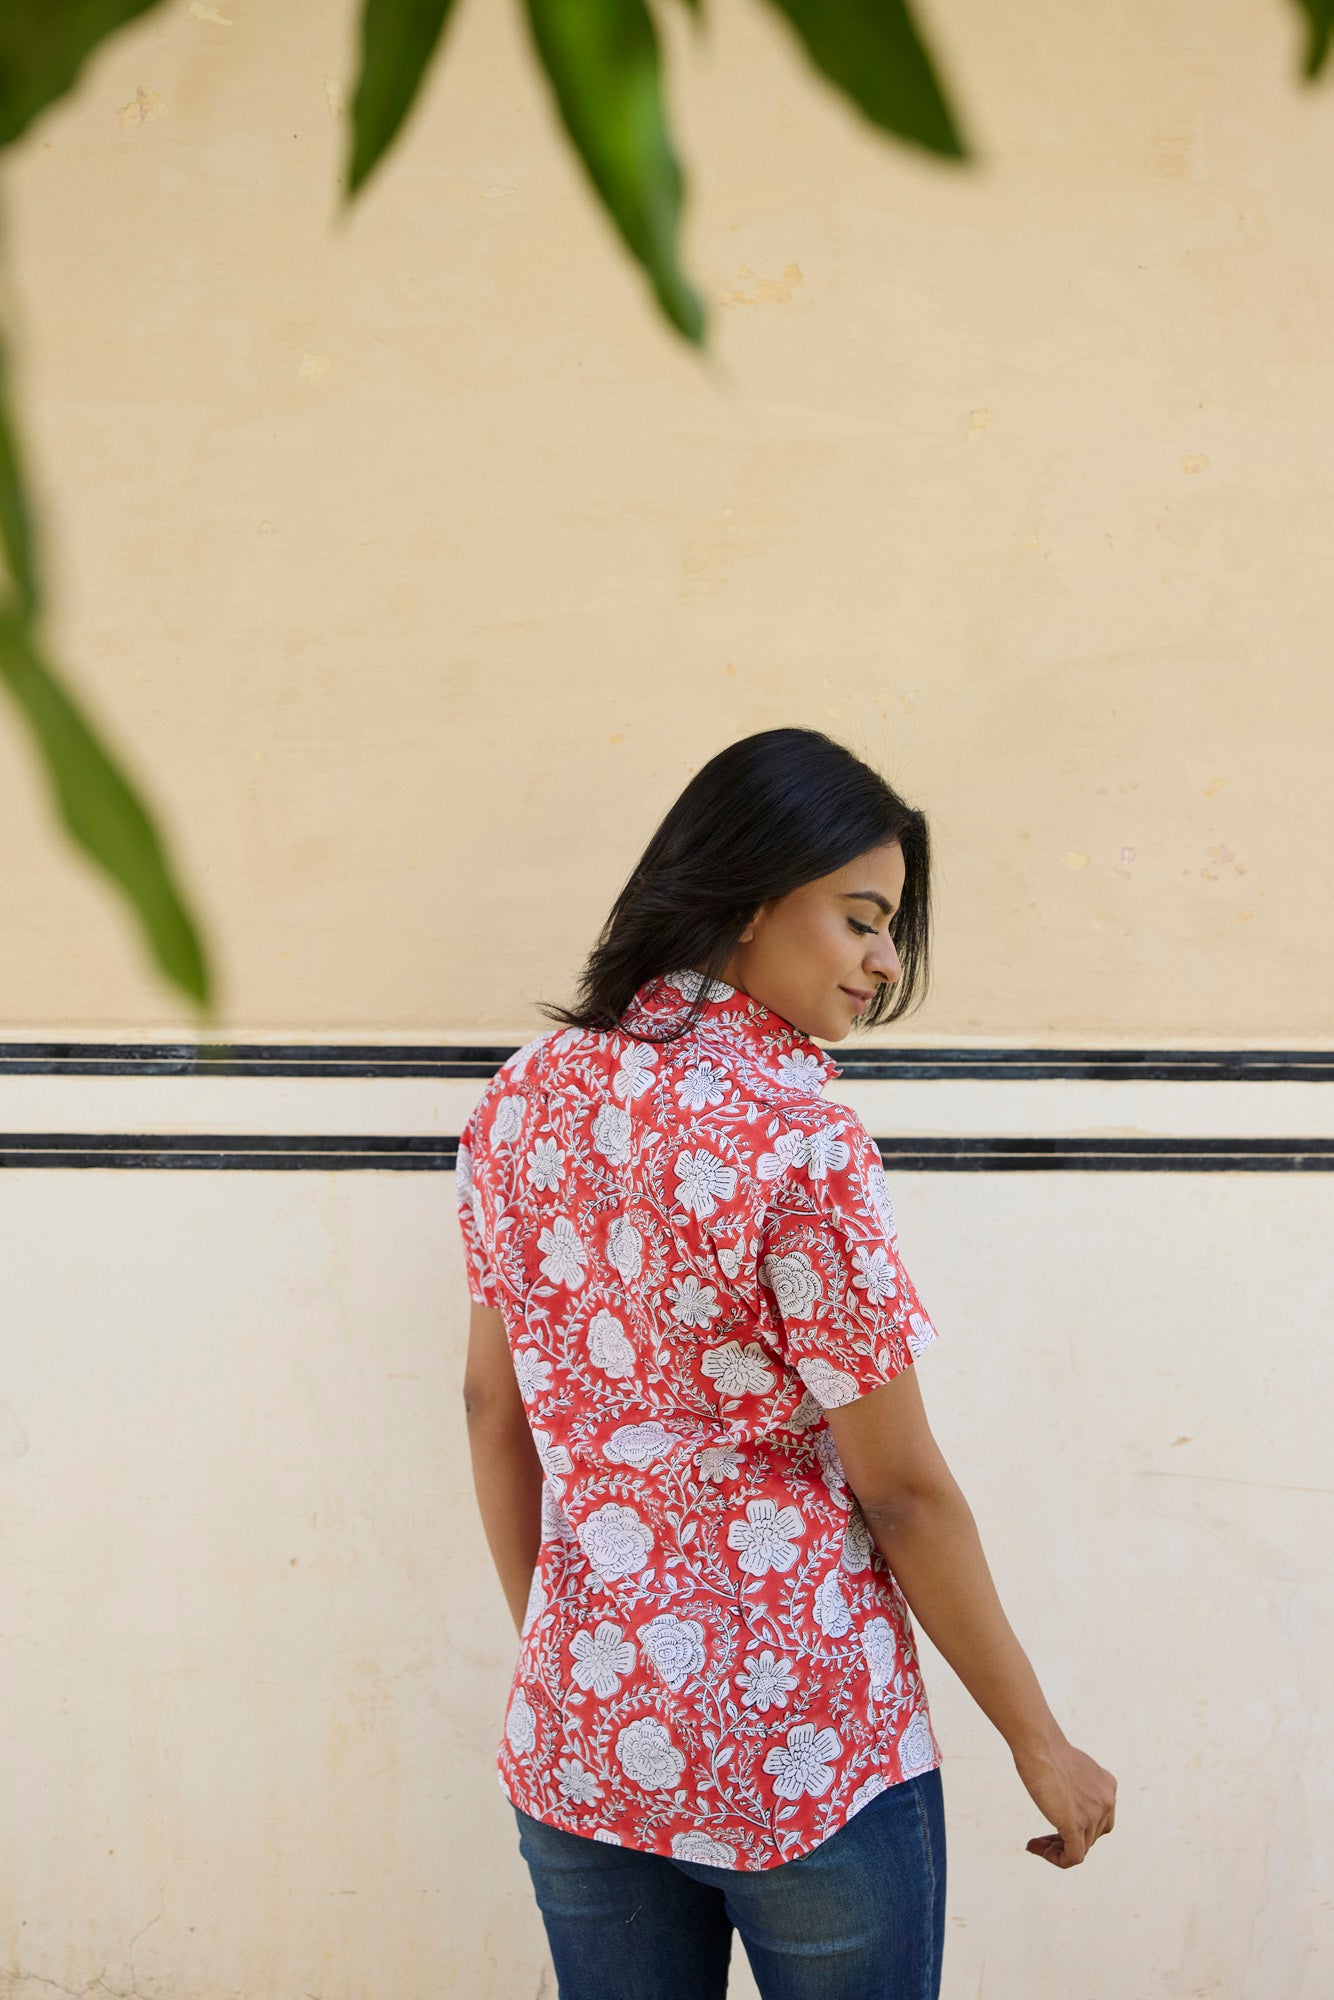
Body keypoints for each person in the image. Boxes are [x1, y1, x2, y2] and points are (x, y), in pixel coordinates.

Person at [459, 727, 1116, 2000]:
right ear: (755, 896)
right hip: (802, 1746)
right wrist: (1040, 1742)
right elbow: (902, 1488)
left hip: (584, 1739)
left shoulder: (521, 1096)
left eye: (892, 931)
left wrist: (577, 1650)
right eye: (862, 917)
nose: (883, 961)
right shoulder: (798, 1136)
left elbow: (494, 1406)